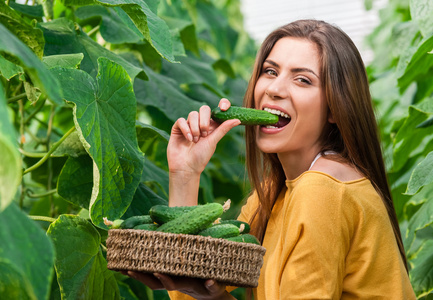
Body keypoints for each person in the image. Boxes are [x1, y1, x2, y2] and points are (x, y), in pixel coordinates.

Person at [122, 19, 417, 299]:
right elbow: (187, 287)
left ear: (335, 108)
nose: (274, 89)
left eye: (302, 80)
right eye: (270, 71)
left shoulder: (323, 190)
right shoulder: (272, 194)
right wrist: (186, 172)